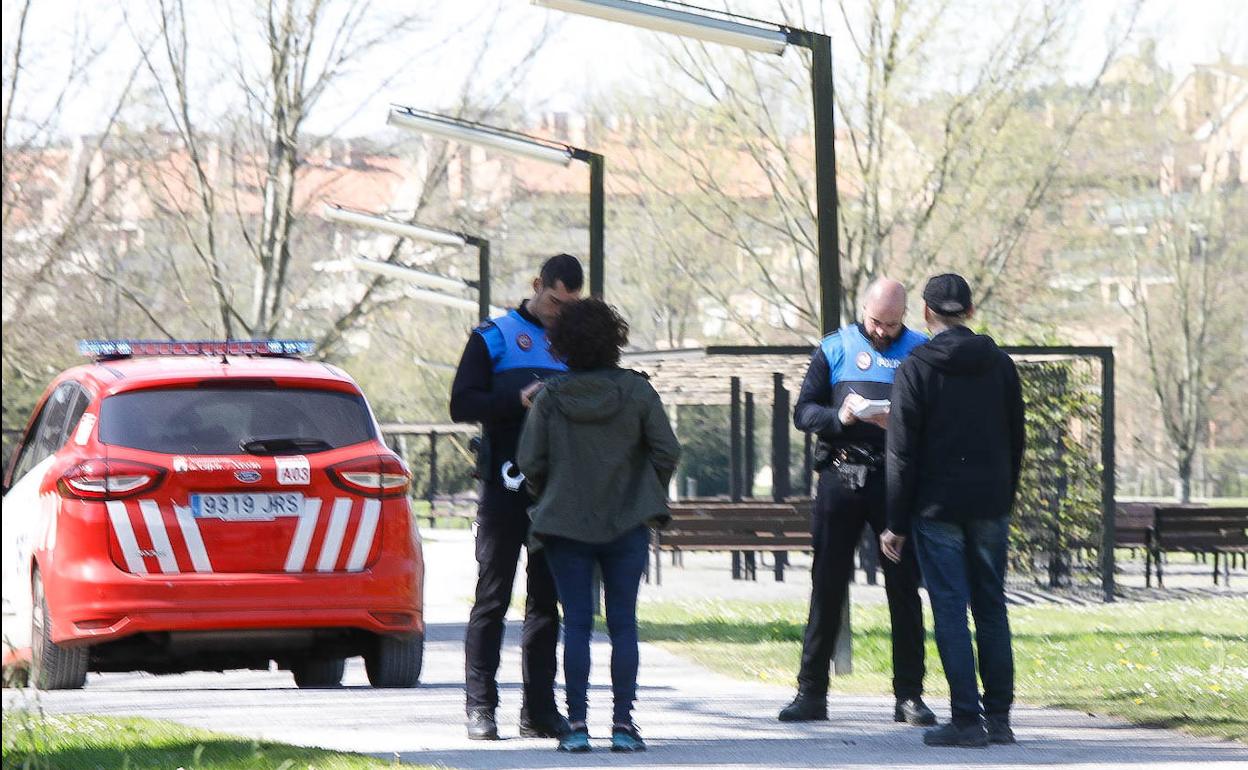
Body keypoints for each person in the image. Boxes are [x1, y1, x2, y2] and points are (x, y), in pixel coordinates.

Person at [517, 299, 680, 754]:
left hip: (566, 524)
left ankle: (576, 725)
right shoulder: (638, 393)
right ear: (615, 340)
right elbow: (667, 451)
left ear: (562, 344)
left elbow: (531, 461)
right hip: (627, 523)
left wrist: (550, 492)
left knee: (577, 626)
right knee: (624, 624)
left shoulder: (549, 398)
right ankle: (624, 724)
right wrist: (644, 491)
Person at [779, 278, 935, 727]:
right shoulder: (834, 347)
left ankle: (910, 696)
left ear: (904, 316)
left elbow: (933, 416)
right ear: (862, 310)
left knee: (903, 589)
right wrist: (839, 417)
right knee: (827, 584)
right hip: (840, 475)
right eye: (876, 321)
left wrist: (902, 424)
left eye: (892, 323)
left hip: (895, 479)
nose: (884, 331)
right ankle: (811, 692)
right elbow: (804, 412)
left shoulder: (920, 351)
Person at [880, 273, 1025, 748]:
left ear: (925, 314)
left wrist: (896, 523)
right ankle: (999, 717)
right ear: (970, 310)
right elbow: (1016, 438)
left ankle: (966, 717)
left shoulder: (916, 368)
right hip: (990, 503)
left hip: (937, 506)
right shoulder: (1000, 365)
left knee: (949, 608)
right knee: (991, 606)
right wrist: (1005, 493)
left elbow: (901, 454)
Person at [449, 254, 583, 741]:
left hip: (555, 492)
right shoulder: (494, 336)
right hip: (503, 487)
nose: (557, 313)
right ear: (537, 286)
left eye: (569, 306)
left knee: (547, 603)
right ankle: (481, 707)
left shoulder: (575, 342)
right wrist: (517, 400)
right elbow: (461, 403)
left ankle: (539, 709)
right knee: (493, 598)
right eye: (552, 301)